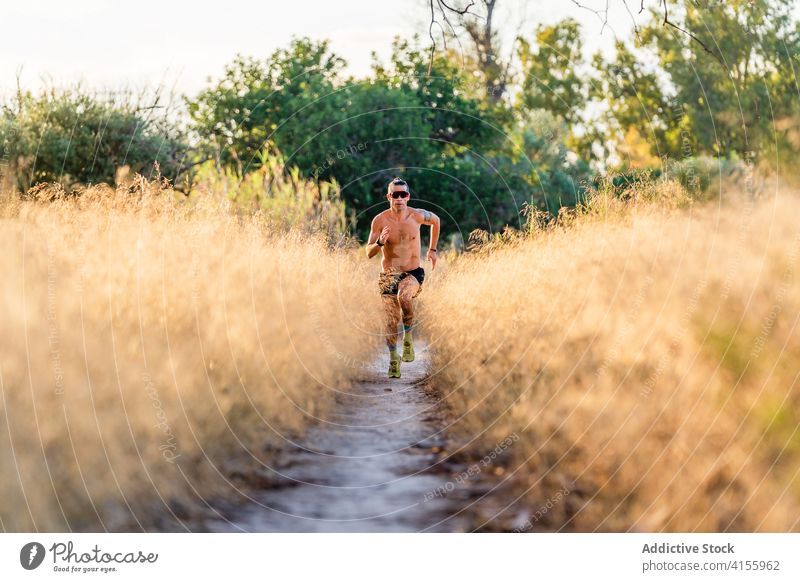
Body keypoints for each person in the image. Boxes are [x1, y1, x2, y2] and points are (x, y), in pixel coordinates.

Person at [365, 177, 440, 378]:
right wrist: (380, 242)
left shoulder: (417, 216)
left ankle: (408, 338)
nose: (399, 198)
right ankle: (393, 359)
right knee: (391, 321)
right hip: (388, 275)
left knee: (404, 297)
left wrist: (432, 250)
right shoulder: (379, 220)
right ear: (388, 197)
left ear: (408, 196)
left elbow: (436, 220)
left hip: (413, 272)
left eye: (403, 194)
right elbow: (368, 253)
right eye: (395, 195)